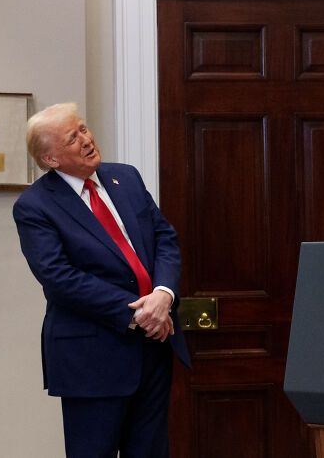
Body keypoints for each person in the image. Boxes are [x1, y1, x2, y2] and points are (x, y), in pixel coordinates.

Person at [13, 102, 191, 457]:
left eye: (83, 128)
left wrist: (163, 294)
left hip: (153, 347)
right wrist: (139, 313)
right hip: (92, 355)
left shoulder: (125, 177)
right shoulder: (35, 206)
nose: (86, 139)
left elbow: (164, 238)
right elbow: (58, 277)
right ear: (51, 159)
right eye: (71, 137)